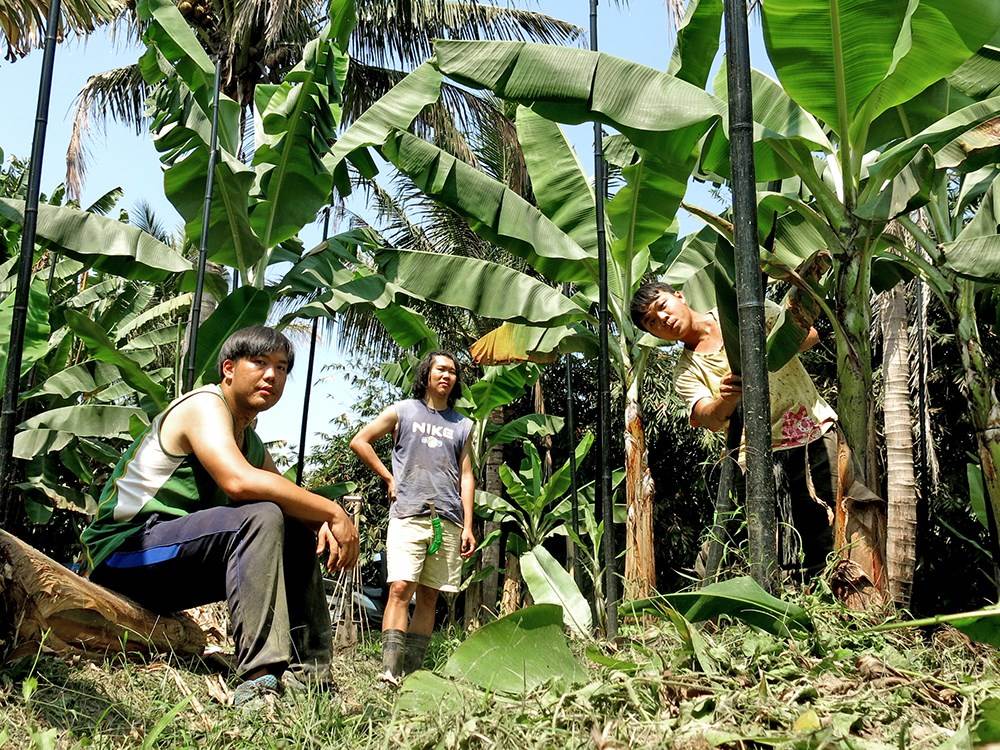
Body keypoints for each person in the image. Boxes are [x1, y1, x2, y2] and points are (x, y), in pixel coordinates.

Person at [82, 326, 359, 706]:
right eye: (260, 363)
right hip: (123, 554)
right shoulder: (204, 406)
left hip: (171, 563)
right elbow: (238, 482)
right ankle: (258, 682)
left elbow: (288, 500)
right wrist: (332, 510)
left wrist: (321, 524)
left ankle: (309, 680)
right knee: (259, 515)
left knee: (291, 526)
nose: (272, 376)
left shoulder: (250, 440)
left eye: (281, 368)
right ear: (228, 368)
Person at [630, 281, 883, 581]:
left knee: (830, 526)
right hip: (756, 458)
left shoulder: (744, 312)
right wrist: (726, 398)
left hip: (812, 431)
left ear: (679, 296)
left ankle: (848, 599)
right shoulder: (686, 371)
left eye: (662, 307)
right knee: (757, 538)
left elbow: (810, 336)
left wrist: (769, 345)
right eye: (652, 322)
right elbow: (708, 417)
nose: (663, 320)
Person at [350, 351, 476, 683]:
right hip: (408, 513)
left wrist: (468, 524)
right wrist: (388, 478)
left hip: (448, 518)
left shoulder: (463, 425)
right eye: (440, 369)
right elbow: (360, 441)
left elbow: (466, 477)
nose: (447, 376)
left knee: (430, 594)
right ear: (427, 374)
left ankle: (414, 669)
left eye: (452, 371)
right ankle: (390, 669)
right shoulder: (403, 411)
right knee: (400, 587)